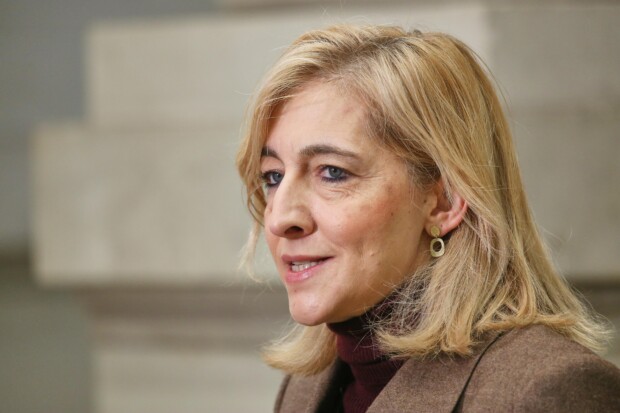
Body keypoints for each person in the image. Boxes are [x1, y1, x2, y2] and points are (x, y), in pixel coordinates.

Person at [236, 24, 620, 412]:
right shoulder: (306, 388)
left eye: (333, 172)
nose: (280, 219)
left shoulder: (548, 390)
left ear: (444, 202)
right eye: (273, 176)